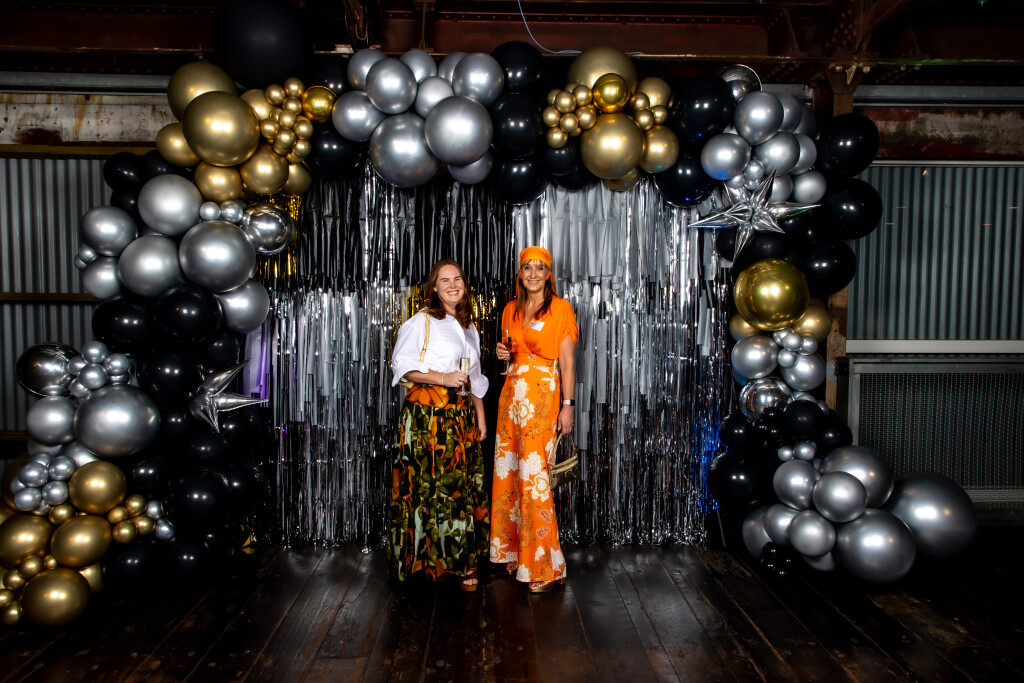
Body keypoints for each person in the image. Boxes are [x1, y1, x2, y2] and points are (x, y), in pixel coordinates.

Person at [387, 259, 489, 591]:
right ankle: (425, 561)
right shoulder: (422, 321)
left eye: (457, 279)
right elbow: (401, 365)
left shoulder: (469, 327)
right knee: (428, 487)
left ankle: (461, 561)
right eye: (445, 280)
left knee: (458, 487)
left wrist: (480, 417)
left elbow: (475, 378)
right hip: (426, 417)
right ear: (434, 287)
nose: (452, 285)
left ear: (464, 285)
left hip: (460, 416)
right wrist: (442, 377)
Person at [490, 246, 578, 593]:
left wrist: (568, 405)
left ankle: (545, 565)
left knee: (534, 477)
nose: (533, 274)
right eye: (528, 267)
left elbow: (567, 362)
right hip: (511, 397)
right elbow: (510, 354)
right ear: (520, 273)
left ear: (548, 274)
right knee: (510, 475)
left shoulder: (560, 309)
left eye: (540, 268)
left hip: (542, 398)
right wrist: (502, 353)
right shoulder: (510, 309)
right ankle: (516, 552)